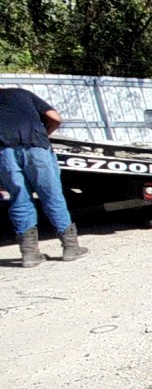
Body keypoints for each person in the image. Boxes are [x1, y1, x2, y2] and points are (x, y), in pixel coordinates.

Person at [0, 88, 88, 267]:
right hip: (36, 148)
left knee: (19, 199)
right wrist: (45, 135)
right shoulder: (21, 93)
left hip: (5, 153)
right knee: (52, 196)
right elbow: (56, 118)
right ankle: (70, 247)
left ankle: (30, 254)